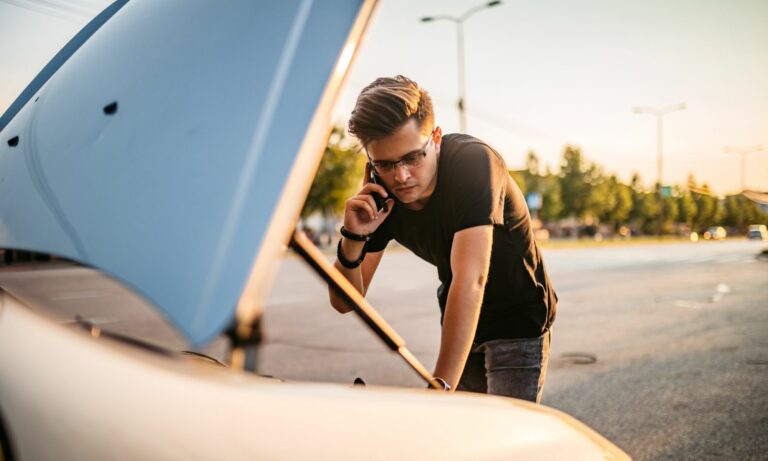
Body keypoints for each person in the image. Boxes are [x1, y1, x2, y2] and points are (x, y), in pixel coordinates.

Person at [328, 75, 557, 403]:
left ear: (435, 137)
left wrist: (441, 387)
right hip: (460, 319)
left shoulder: (473, 162)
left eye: (412, 158)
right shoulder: (383, 196)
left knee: (501, 438)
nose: (401, 176)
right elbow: (344, 301)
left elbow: (471, 279)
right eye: (385, 164)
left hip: (518, 319)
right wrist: (354, 236)